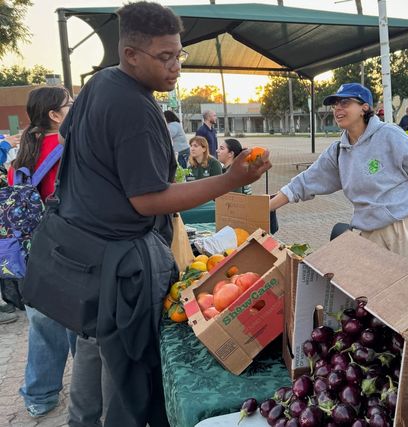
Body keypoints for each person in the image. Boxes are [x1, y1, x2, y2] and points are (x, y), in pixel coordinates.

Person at [48, 3, 270, 425]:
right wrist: (230, 178)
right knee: (127, 367)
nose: (176, 68)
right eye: (165, 57)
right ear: (131, 54)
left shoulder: (100, 84)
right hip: (119, 262)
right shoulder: (135, 107)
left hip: (86, 252)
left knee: (93, 346)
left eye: (179, 54)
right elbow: (148, 200)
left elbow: (70, 138)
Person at [269, 83, 408, 274]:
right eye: (335, 105)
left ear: (364, 107)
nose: (338, 109)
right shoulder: (338, 151)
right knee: (374, 296)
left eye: (345, 103)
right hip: (370, 233)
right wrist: (266, 207)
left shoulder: (389, 135)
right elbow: (303, 183)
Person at [5, 86, 77, 417]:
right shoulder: (71, 148)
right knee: (80, 324)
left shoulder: (20, 157)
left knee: (43, 327)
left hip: (31, 254)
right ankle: (87, 393)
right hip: (69, 249)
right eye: (69, 103)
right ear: (54, 114)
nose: (74, 106)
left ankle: (39, 397)